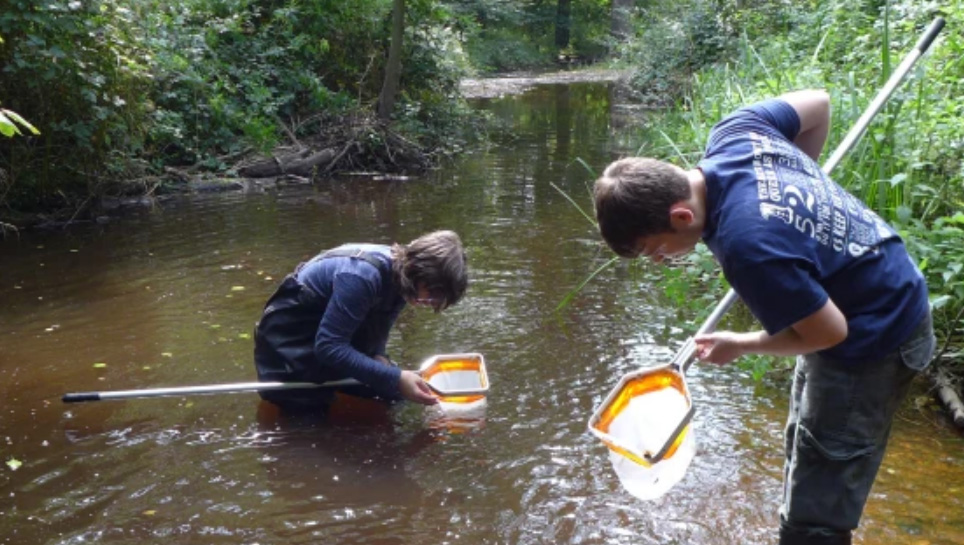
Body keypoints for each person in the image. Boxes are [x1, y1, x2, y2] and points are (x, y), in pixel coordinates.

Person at [592, 89, 935, 545]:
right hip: (877, 277)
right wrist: (798, 193)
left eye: (655, 250)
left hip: (878, 331)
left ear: (680, 214)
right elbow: (818, 103)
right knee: (806, 444)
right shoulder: (735, 132)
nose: (660, 260)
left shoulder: (748, 248)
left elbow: (831, 333)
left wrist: (743, 343)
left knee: (820, 499)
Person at [253, 230, 468, 411]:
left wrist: (379, 356)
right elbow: (328, 347)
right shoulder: (361, 276)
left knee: (392, 396)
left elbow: (381, 324)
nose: (429, 302)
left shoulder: (404, 281)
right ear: (419, 271)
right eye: (432, 294)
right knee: (311, 422)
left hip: (330, 334)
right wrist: (396, 376)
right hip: (290, 339)